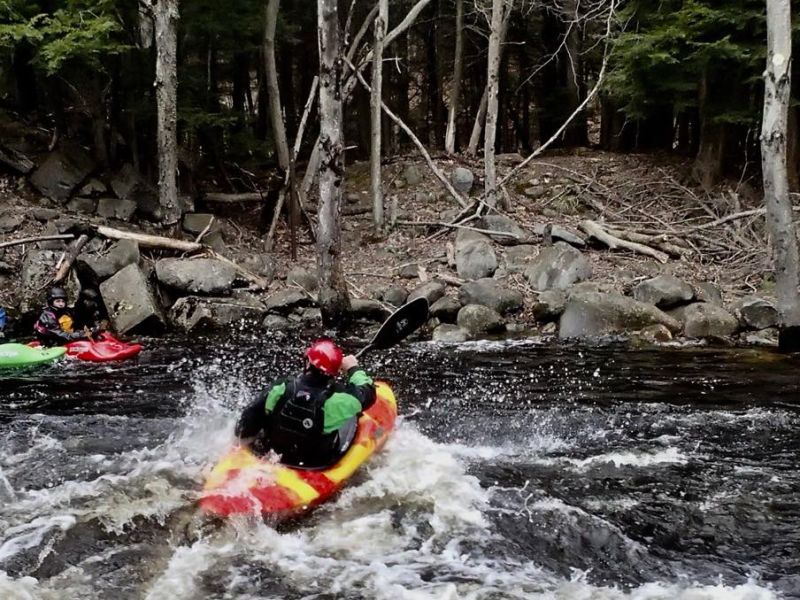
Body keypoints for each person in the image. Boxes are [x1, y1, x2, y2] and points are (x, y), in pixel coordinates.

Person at [236, 339, 376, 469]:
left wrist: (243, 447)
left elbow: (249, 418)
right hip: (312, 465)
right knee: (350, 419)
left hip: (271, 455)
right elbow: (368, 393)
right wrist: (353, 368)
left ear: (308, 363)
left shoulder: (281, 387)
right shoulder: (338, 401)